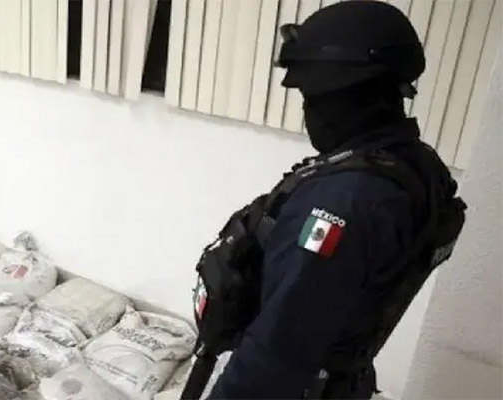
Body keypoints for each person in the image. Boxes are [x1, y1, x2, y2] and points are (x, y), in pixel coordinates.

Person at [183, 1, 466, 399]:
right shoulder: (416, 165)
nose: (308, 110)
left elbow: (275, 354)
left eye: (313, 96)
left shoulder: (346, 200)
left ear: (350, 91)